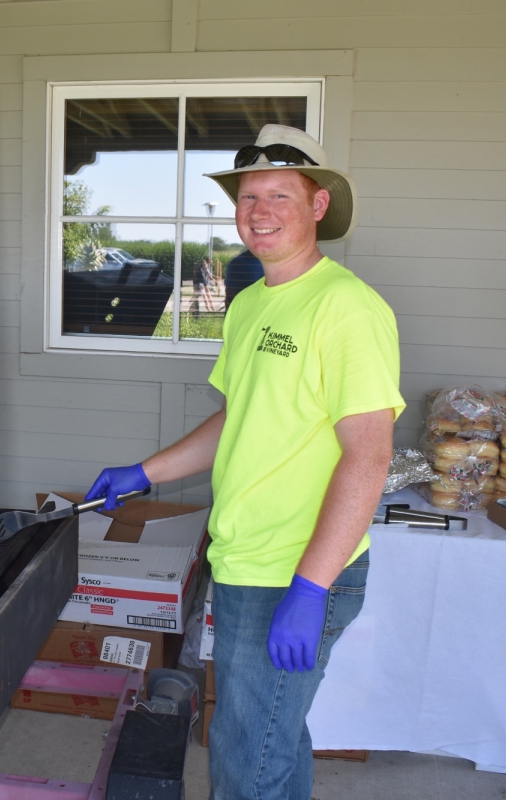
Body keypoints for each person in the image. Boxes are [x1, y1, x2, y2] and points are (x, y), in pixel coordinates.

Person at [84, 125, 405, 800]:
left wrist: (312, 588)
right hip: (243, 559)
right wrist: (145, 473)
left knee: (244, 763)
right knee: (271, 739)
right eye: (248, 195)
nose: (259, 210)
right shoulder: (252, 303)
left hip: (293, 570)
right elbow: (238, 418)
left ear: (318, 206)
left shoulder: (346, 308)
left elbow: (368, 456)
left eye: (280, 194)